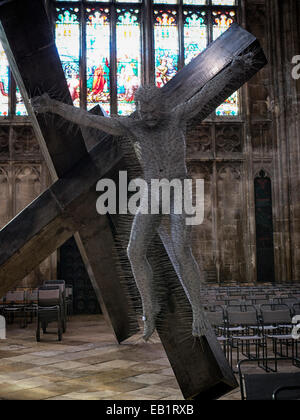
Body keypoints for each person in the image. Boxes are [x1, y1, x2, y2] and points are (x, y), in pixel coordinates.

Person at [31, 52, 253, 341]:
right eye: (142, 111)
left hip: (177, 188)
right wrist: (53, 106)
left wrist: (233, 67)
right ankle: (150, 306)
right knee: (134, 251)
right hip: (151, 192)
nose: (147, 117)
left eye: (152, 112)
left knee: (181, 247)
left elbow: (207, 91)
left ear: (161, 106)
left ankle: (198, 311)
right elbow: (87, 119)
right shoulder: (132, 126)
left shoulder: (178, 116)